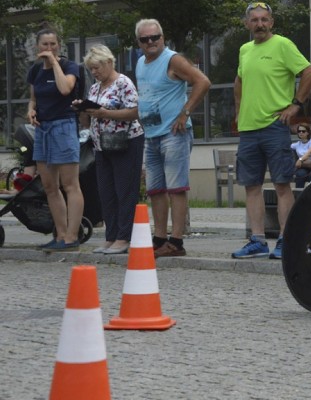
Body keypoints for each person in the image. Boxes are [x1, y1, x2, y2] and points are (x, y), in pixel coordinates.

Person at [231, 1, 311, 260]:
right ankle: (257, 240)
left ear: (272, 22)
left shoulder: (283, 45)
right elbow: (239, 80)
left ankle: (285, 239)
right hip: (248, 129)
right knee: (252, 186)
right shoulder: (245, 49)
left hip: (274, 126)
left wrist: (296, 105)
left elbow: (309, 72)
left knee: (282, 185)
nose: (259, 24)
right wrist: (238, 113)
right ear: (247, 24)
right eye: (254, 20)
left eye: (264, 19)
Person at [135, 19, 211, 258]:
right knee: (155, 189)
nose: (151, 43)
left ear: (163, 37)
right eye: (145, 39)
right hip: (151, 135)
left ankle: (176, 241)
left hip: (173, 133)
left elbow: (203, 81)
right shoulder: (140, 63)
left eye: (155, 37)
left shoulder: (172, 59)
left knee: (176, 188)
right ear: (139, 42)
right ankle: (159, 238)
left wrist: (185, 111)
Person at [78, 45, 145, 255]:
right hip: (101, 145)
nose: (94, 73)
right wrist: (83, 109)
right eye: (91, 69)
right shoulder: (95, 87)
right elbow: (89, 120)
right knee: (106, 192)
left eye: (97, 67)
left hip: (125, 142)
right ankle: (111, 236)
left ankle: (124, 237)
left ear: (109, 62)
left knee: (124, 191)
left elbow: (135, 112)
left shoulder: (123, 83)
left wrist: (105, 113)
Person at [26, 28, 84, 252]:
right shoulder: (34, 71)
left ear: (59, 46)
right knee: (50, 185)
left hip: (64, 126)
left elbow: (64, 88)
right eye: (44, 45)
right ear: (37, 47)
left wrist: (54, 63)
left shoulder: (70, 67)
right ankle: (59, 234)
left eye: (53, 44)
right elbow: (34, 99)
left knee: (70, 184)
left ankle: (71, 236)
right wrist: (31, 110)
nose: (49, 49)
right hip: (43, 128)